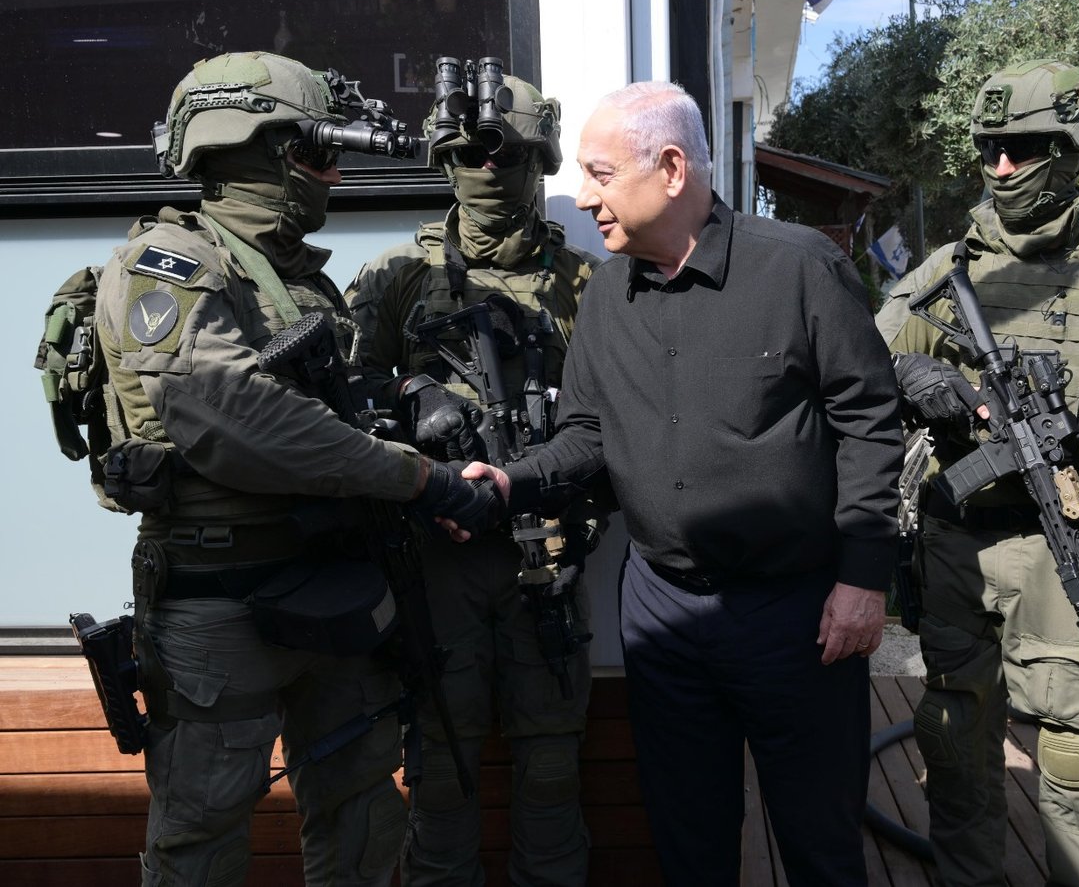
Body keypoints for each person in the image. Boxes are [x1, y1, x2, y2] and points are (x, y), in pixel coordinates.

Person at [456, 81, 903, 885]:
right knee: (687, 842)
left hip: (796, 616)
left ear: (670, 169)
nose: (581, 196)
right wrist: (508, 483)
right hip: (662, 615)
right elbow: (585, 436)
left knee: (820, 843)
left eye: (598, 174)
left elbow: (870, 422)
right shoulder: (607, 297)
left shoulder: (800, 267)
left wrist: (863, 580)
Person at [91, 51, 496, 887]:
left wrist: (407, 397)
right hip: (220, 602)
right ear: (264, 151)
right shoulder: (169, 262)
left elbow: (334, 407)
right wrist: (415, 479)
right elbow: (235, 417)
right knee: (201, 836)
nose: (334, 175)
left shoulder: (299, 280)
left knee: (363, 814)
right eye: (317, 154)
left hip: (332, 587)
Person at [884, 60, 1079, 887]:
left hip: (1067, 544)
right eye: (989, 149)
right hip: (957, 539)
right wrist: (911, 375)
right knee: (955, 741)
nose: (1000, 168)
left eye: (1022, 148)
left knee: (1075, 759)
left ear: (1069, 154)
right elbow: (855, 360)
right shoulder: (948, 269)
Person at [343, 64, 600, 886]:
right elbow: (339, 395)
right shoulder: (396, 277)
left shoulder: (584, 282)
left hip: (547, 554)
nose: (486, 168)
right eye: (466, 155)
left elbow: (617, 417)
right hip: (438, 558)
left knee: (552, 767)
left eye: (506, 155)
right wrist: (412, 396)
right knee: (443, 768)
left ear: (538, 161)